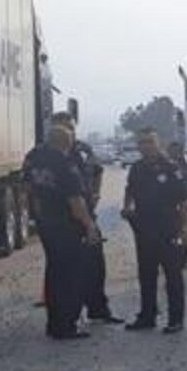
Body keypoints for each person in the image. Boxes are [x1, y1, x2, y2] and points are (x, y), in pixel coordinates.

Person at [24, 125, 100, 340]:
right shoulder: (65, 164)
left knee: (54, 274)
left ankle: (54, 324)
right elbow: (75, 201)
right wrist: (89, 225)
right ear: (67, 141)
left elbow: (28, 190)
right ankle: (67, 325)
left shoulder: (37, 160)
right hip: (68, 227)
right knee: (70, 277)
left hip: (47, 225)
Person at [52, 112, 121, 324]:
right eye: (64, 127)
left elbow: (98, 171)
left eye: (71, 127)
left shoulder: (83, 149)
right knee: (66, 271)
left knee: (95, 265)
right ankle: (66, 318)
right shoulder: (46, 154)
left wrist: (96, 193)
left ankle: (98, 309)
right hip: (63, 220)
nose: (69, 131)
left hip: (87, 215)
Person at [123, 129, 187, 334]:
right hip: (144, 229)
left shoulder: (171, 168)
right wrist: (127, 207)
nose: (146, 146)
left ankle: (175, 319)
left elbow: (184, 201)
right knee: (146, 274)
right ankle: (147, 315)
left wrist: (185, 228)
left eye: (150, 142)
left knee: (173, 276)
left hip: (168, 228)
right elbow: (130, 190)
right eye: (142, 142)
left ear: (158, 143)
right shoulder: (136, 168)